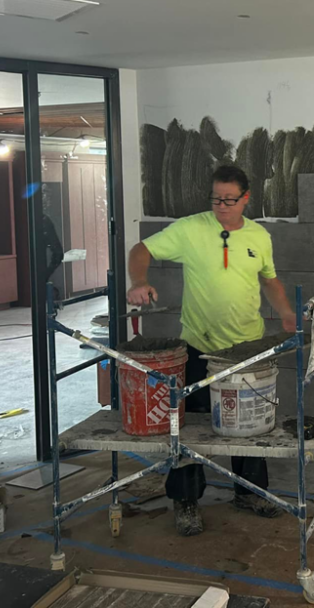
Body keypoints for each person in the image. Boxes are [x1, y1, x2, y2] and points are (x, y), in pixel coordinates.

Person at [126, 165, 297, 536]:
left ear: (246, 199)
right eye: (216, 198)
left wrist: (285, 313)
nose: (221, 206)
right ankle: (186, 502)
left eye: (229, 200)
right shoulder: (190, 229)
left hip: (245, 347)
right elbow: (141, 249)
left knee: (248, 424)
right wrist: (139, 281)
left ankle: (250, 492)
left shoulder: (259, 236)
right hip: (199, 347)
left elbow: (270, 280)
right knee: (188, 428)